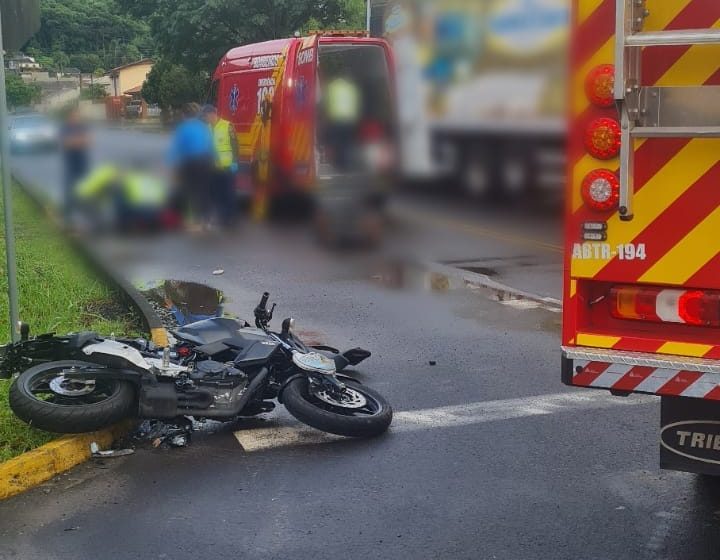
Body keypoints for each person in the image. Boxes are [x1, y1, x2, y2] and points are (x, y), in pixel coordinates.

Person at [167, 103, 215, 230]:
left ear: (184, 115)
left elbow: (176, 149)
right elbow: (210, 145)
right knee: (204, 191)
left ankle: (194, 222)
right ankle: (207, 220)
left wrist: (172, 167)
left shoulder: (183, 128)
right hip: (205, 162)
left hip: (191, 163)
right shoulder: (203, 127)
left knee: (190, 192)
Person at [202, 104, 240, 228]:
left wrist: (235, 162)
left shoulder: (227, 126)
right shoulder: (206, 128)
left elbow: (235, 146)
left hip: (227, 167)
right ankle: (222, 218)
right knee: (217, 195)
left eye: (206, 115)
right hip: (213, 168)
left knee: (228, 194)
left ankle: (230, 220)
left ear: (212, 114)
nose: (206, 118)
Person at [323, 72, 362, 172]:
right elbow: (356, 104)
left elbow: (326, 103)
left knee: (337, 142)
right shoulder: (351, 87)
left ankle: (339, 164)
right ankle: (347, 164)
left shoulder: (331, 87)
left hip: (336, 120)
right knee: (347, 143)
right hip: (349, 120)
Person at [60, 108, 91, 224]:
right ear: (69, 117)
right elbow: (65, 143)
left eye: (77, 116)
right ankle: (67, 217)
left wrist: (74, 141)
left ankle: (88, 215)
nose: (75, 118)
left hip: (83, 162)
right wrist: (78, 142)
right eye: (73, 116)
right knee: (70, 189)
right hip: (70, 164)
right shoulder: (64, 128)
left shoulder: (82, 127)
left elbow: (88, 141)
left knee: (86, 189)